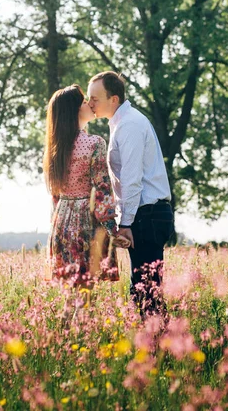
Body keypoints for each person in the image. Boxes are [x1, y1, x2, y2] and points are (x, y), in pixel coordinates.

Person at [88, 71, 174, 317]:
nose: (90, 103)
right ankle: (159, 347)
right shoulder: (120, 123)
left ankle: (161, 347)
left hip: (147, 215)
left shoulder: (129, 125)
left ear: (113, 99)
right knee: (144, 291)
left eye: (95, 98)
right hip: (145, 214)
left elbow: (132, 179)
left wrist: (125, 223)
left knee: (145, 292)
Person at [43, 84, 129, 291]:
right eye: (83, 102)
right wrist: (112, 230)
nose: (90, 104)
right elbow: (101, 190)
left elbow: (55, 195)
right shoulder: (94, 143)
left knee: (71, 294)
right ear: (74, 110)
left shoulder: (55, 149)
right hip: (85, 222)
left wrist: (57, 222)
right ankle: (79, 324)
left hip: (61, 222)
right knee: (85, 293)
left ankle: (64, 325)